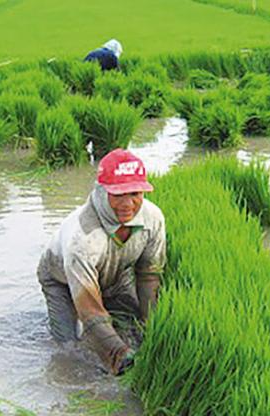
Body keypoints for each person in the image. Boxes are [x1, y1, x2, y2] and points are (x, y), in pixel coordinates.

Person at [37, 149, 166, 376]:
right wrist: (119, 355)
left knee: (131, 326)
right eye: (118, 195)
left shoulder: (153, 218)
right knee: (69, 345)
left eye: (135, 193)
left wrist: (152, 327)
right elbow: (89, 309)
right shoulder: (83, 237)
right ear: (101, 190)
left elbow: (148, 275)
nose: (128, 204)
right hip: (61, 280)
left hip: (114, 275)